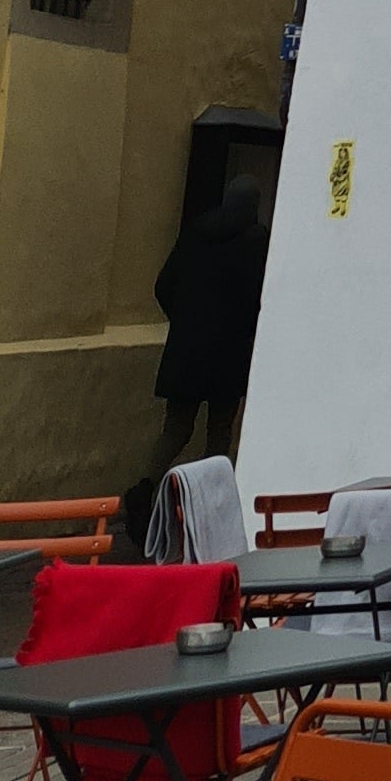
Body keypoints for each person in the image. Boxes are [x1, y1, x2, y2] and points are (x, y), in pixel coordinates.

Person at [126, 177, 268, 538]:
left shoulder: (195, 233)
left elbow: (163, 286)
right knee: (219, 432)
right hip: (229, 353)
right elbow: (259, 298)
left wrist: (186, 322)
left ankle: (143, 487)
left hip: (186, 350)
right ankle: (206, 508)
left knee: (176, 429)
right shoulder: (255, 242)